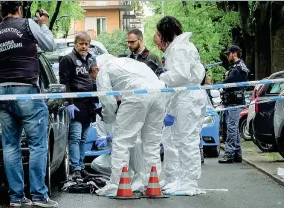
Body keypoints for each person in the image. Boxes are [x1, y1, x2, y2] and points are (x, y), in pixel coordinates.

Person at [0, 1, 57, 207]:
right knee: (37, 145)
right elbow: (50, 46)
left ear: (0, 13)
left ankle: (16, 197)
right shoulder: (27, 24)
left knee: (10, 146)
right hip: (26, 90)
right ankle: (39, 196)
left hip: (1, 92)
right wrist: (42, 24)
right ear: (19, 10)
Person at [91, 54, 166, 196]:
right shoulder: (131, 63)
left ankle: (117, 185)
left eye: (93, 76)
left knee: (121, 141)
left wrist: (109, 118)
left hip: (136, 94)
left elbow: (107, 100)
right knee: (152, 142)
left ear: (96, 68)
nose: (94, 79)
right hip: (159, 93)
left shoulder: (104, 70)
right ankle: (151, 183)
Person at [153, 16, 206, 196]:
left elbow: (180, 76)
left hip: (187, 97)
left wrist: (163, 76)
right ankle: (183, 180)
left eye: (160, 34)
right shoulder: (185, 46)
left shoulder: (179, 48)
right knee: (182, 140)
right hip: (187, 96)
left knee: (187, 141)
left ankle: (189, 183)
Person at [58, 32, 99, 180]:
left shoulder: (90, 60)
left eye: (86, 44)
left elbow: (93, 81)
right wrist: (68, 103)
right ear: (75, 44)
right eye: (81, 43)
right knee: (75, 137)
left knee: (83, 138)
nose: (84, 46)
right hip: (75, 103)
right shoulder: (68, 60)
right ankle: (75, 168)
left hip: (88, 104)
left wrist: (96, 101)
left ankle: (81, 167)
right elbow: (64, 83)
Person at [219, 45, 249, 164]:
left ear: (234, 53)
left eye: (228, 54)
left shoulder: (239, 68)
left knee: (231, 127)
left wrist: (227, 76)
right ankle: (237, 154)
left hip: (235, 101)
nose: (227, 56)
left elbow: (229, 81)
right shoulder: (235, 67)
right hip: (231, 101)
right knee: (233, 127)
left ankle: (229, 154)